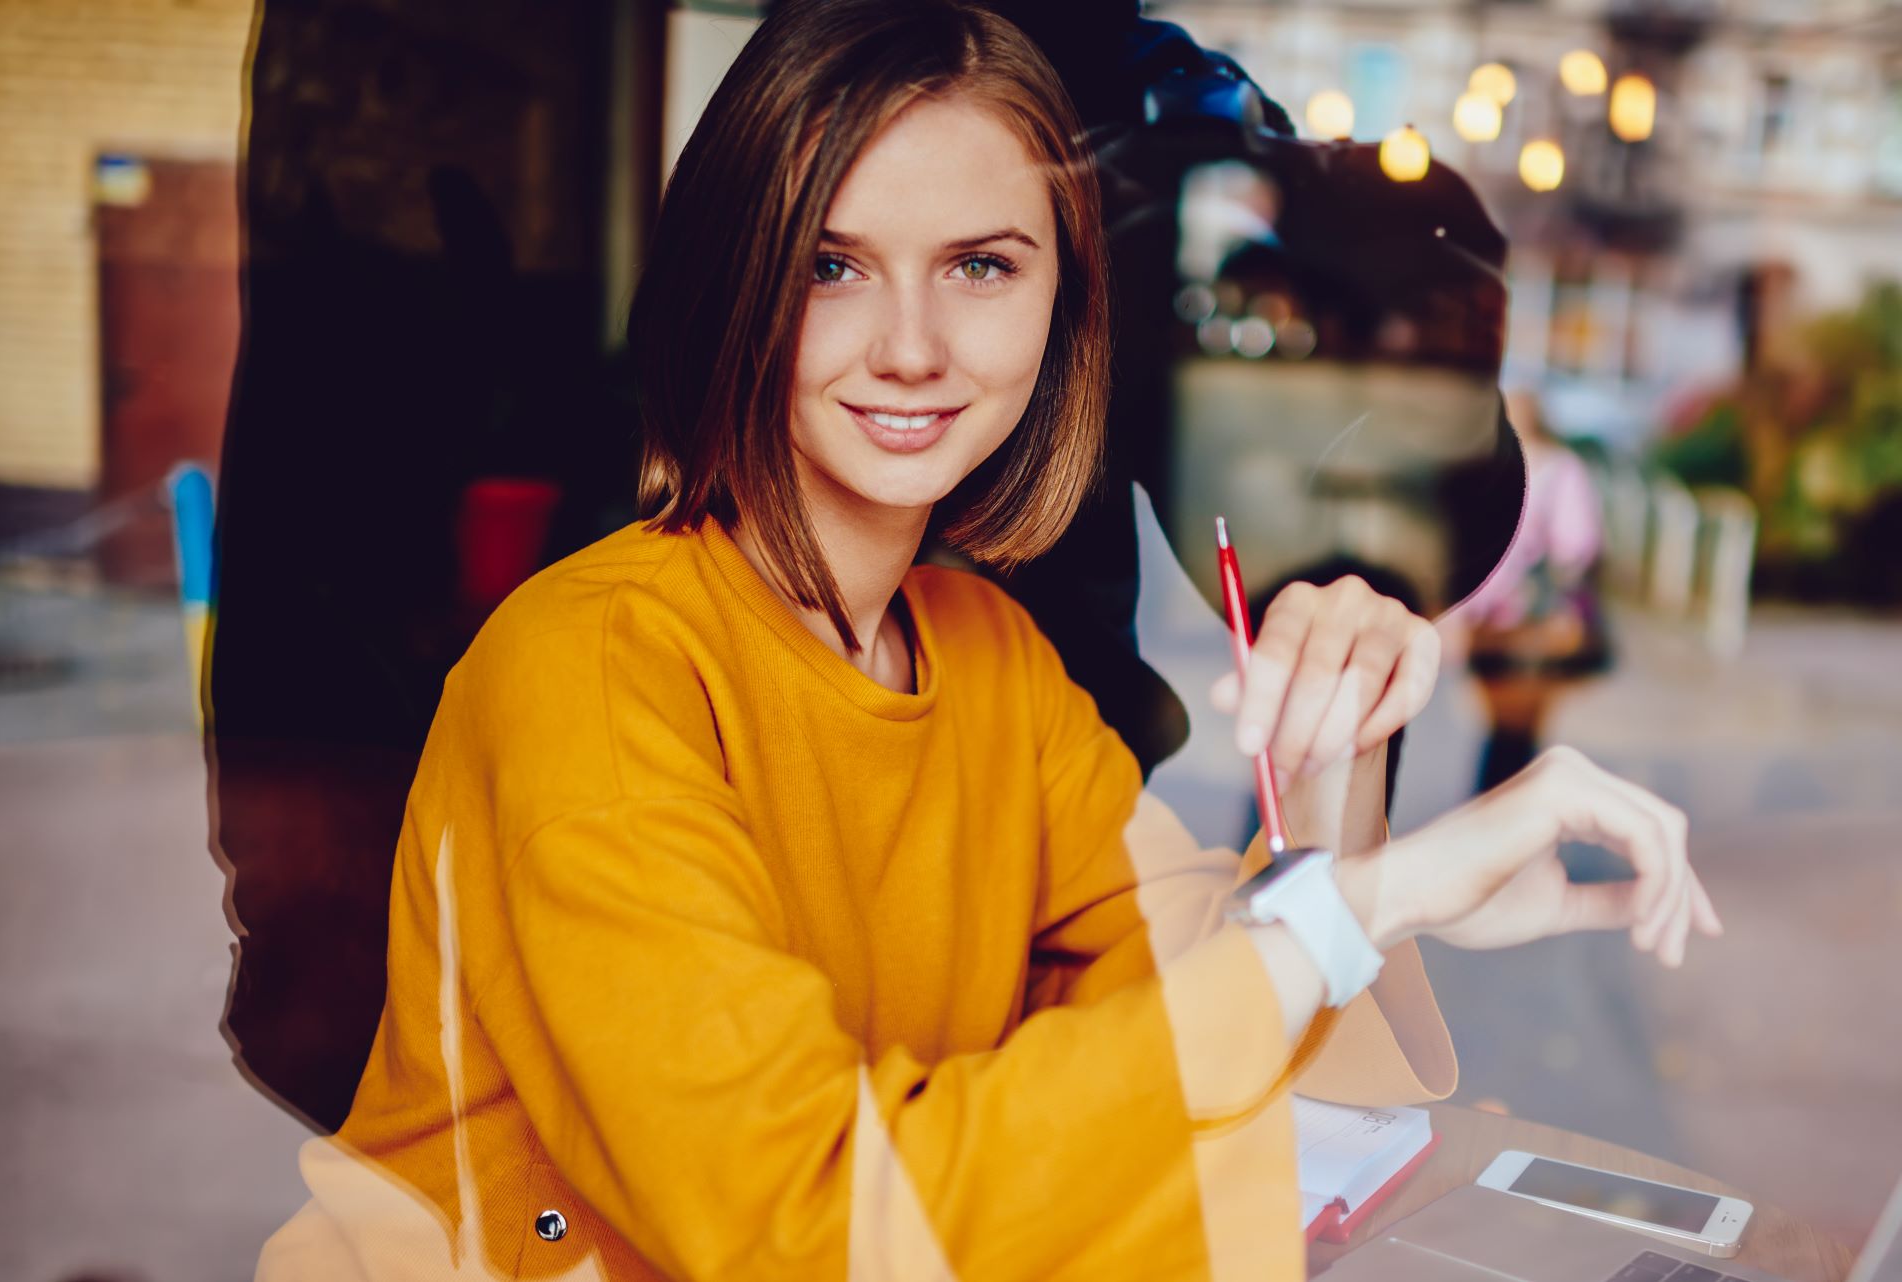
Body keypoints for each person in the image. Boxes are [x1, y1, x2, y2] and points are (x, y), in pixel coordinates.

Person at [257, 4, 1717, 1277]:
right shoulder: (583, 669)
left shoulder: (986, 654)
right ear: (730, 285)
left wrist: (1349, 815)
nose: (910, 345)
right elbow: (807, 1219)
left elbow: (1199, 1024)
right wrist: (1356, 909)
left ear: (1063, 304)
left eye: (981, 265)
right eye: (832, 265)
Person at [1454, 388, 1612, 793]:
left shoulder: (1489, 465)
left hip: (1490, 618)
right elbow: (1577, 545)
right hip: (1526, 620)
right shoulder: (1560, 469)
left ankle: (1492, 807)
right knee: (1518, 728)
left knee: (1502, 726)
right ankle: (1506, 810)